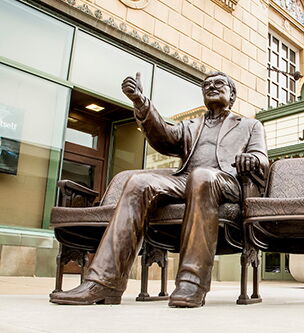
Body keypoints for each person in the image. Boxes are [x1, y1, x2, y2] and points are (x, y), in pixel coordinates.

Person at [49, 71, 269, 307]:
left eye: (218, 84)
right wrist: (141, 103)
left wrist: (252, 159)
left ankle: (192, 283)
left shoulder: (249, 125)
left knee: (203, 177)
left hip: (226, 182)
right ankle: (104, 282)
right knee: (138, 182)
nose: (211, 87)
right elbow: (163, 137)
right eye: (206, 85)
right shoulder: (191, 125)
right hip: (186, 180)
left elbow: (262, 158)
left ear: (232, 94)